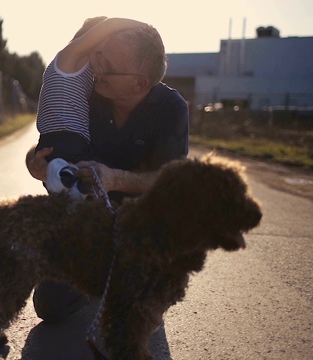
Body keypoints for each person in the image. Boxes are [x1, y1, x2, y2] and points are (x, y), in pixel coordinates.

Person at [26, 22, 190, 323]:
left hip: (139, 221)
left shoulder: (171, 109)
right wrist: (34, 162)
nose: (96, 67)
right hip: (87, 217)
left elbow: (172, 182)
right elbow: (55, 140)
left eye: (108, 66)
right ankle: (98, 273)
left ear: (139, 83)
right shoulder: (88, 88)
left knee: (138, 307)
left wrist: (115, 178)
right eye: (99, 57)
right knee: (51, 305)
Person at [35, 17, 149, 199]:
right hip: (65, 136)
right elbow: (108, 25)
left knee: (80, 179)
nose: (106, 54)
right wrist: (142, 26)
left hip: (67, 138)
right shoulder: (72, 57)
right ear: (92, 38)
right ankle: (68, 186)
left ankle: (69, 187)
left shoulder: (85, 67)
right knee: (78, 180)